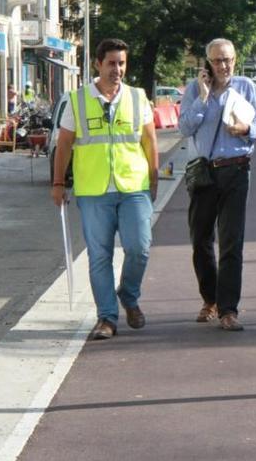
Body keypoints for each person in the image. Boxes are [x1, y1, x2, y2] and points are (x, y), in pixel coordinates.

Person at [51, 38, 159, 340]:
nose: (117, 69)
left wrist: (153, 178)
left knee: (140, 248)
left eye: (122, 63)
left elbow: (149, 141)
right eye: (111, 63)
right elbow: (64, 146)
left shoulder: (138, 98)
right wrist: (58, 183)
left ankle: (129, 295)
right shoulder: (77, 100)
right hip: (93, 190)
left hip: (133, 186)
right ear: (98, 64)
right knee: (100, 256)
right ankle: (107, 317)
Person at [178, 38, 256, 331]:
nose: (223, 66)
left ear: (235, 59)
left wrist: (246, 129)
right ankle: (210, 299)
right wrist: (203, 98)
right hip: (204, 173)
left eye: (227, 59)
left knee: (231, 242)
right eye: (217, 61)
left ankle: (228, 309)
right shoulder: (194, 89)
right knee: (200, 239)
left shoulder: (246, 87)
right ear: (207, 62)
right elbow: (185, 128)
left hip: (237, 171)